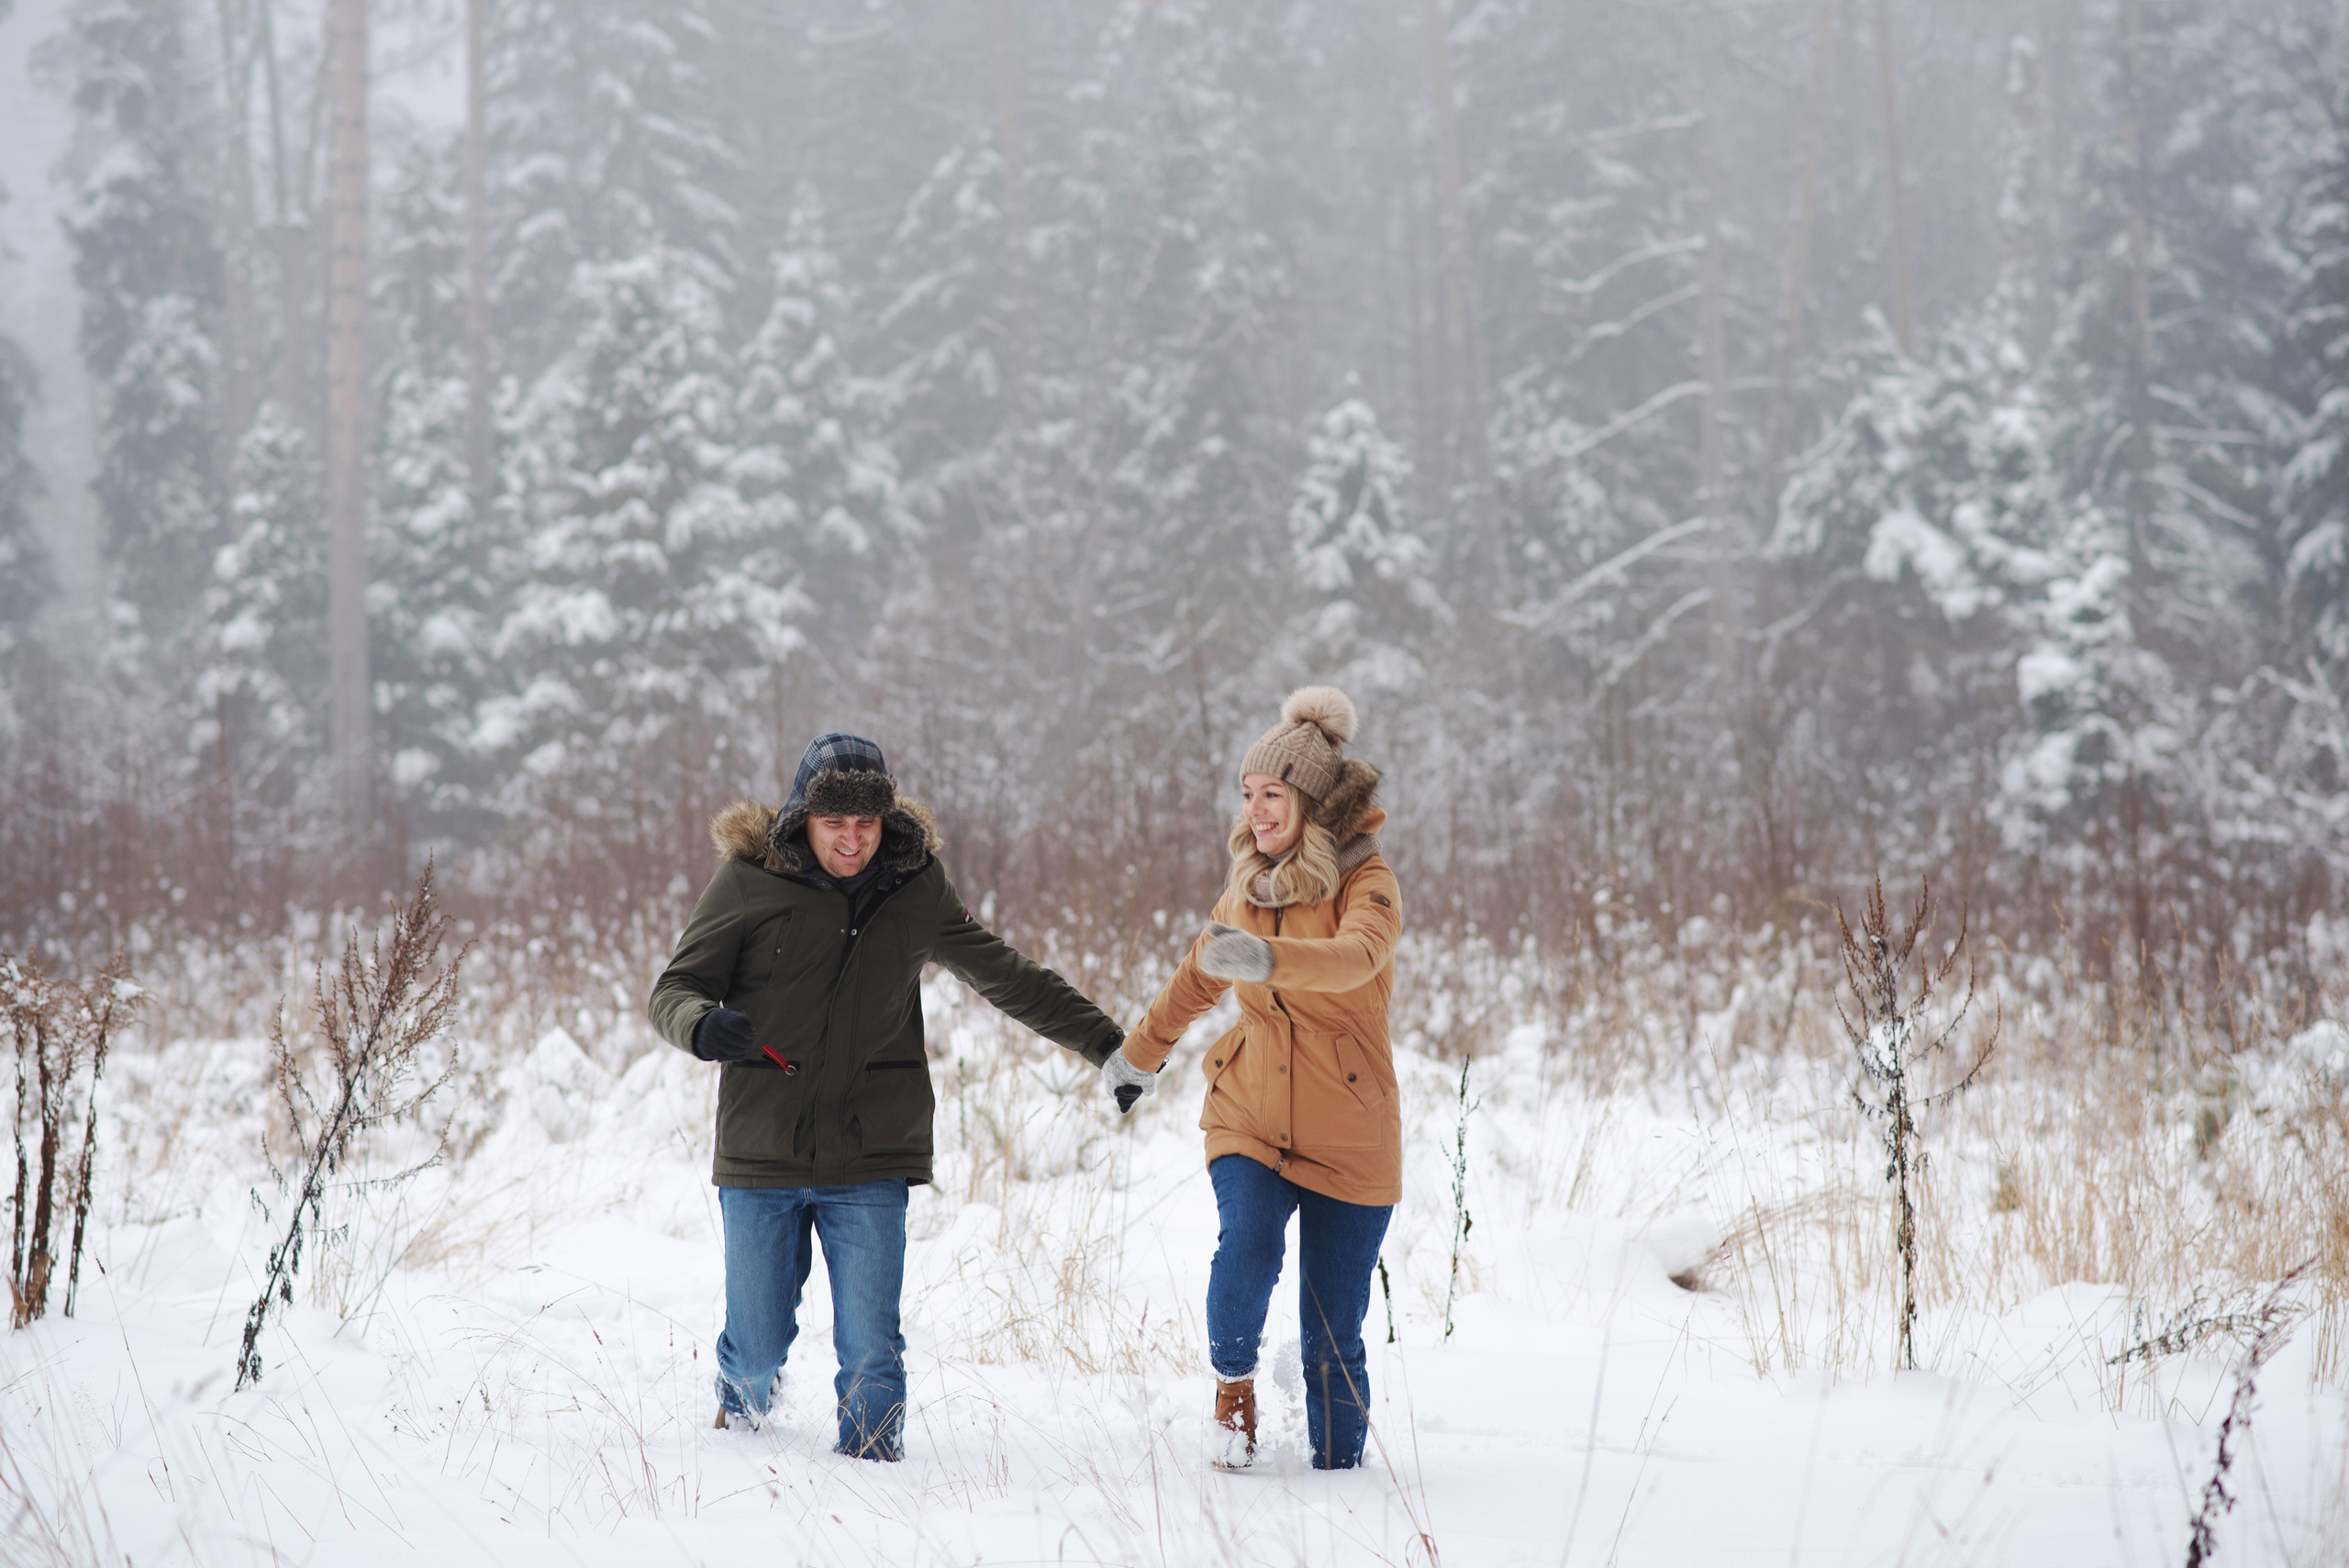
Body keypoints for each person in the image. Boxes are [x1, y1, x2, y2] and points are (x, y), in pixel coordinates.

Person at [649, 733, 1127, 1460]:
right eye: (835, 823)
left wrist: (1107, 1045)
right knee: (756, 1340)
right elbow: (673, 989)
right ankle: (736, 1432)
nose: (852, 840)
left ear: (887, 818)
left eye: (866, 824)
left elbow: (1007, 975)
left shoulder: (915, 887)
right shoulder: (749, 881)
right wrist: (702, 1025)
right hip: (762, 1148)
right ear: (803, 818)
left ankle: (874, 1478)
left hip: (870, 1149)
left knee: (872, 1345)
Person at [1100, 686, 1402, 1471]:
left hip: (1351, 1132)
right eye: (1248, 793)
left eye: (1273, 794)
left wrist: (1270, 959)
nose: (1257, 811)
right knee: (1250, 1247)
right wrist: (1140, 1053)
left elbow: (1360, 955)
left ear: (1310, 799)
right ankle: (1232, 1387)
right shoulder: (1247, 883)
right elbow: (1198, 975)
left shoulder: (1366, 879)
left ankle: (1342, 1483)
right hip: (1251, 1111)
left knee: (1332, 1337)